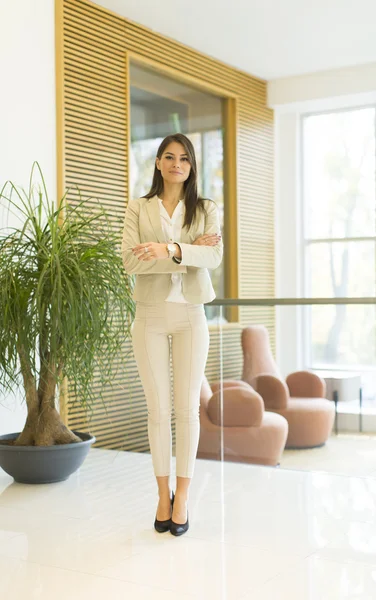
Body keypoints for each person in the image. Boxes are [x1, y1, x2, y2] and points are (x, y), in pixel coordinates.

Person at [121, 133, 223, 536]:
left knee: (186, 411)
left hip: (192, 317)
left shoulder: (206, 208)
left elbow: (212, 256)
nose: (176, 163)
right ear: (159, 163)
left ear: (192, 165)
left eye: (184, 158)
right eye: (169, 156)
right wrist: (184, 251)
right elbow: (130, 261)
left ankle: (183, 496)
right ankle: (162, 495)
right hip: (148, 315)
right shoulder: (138, 207)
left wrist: (165, 250)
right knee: (158, 411)